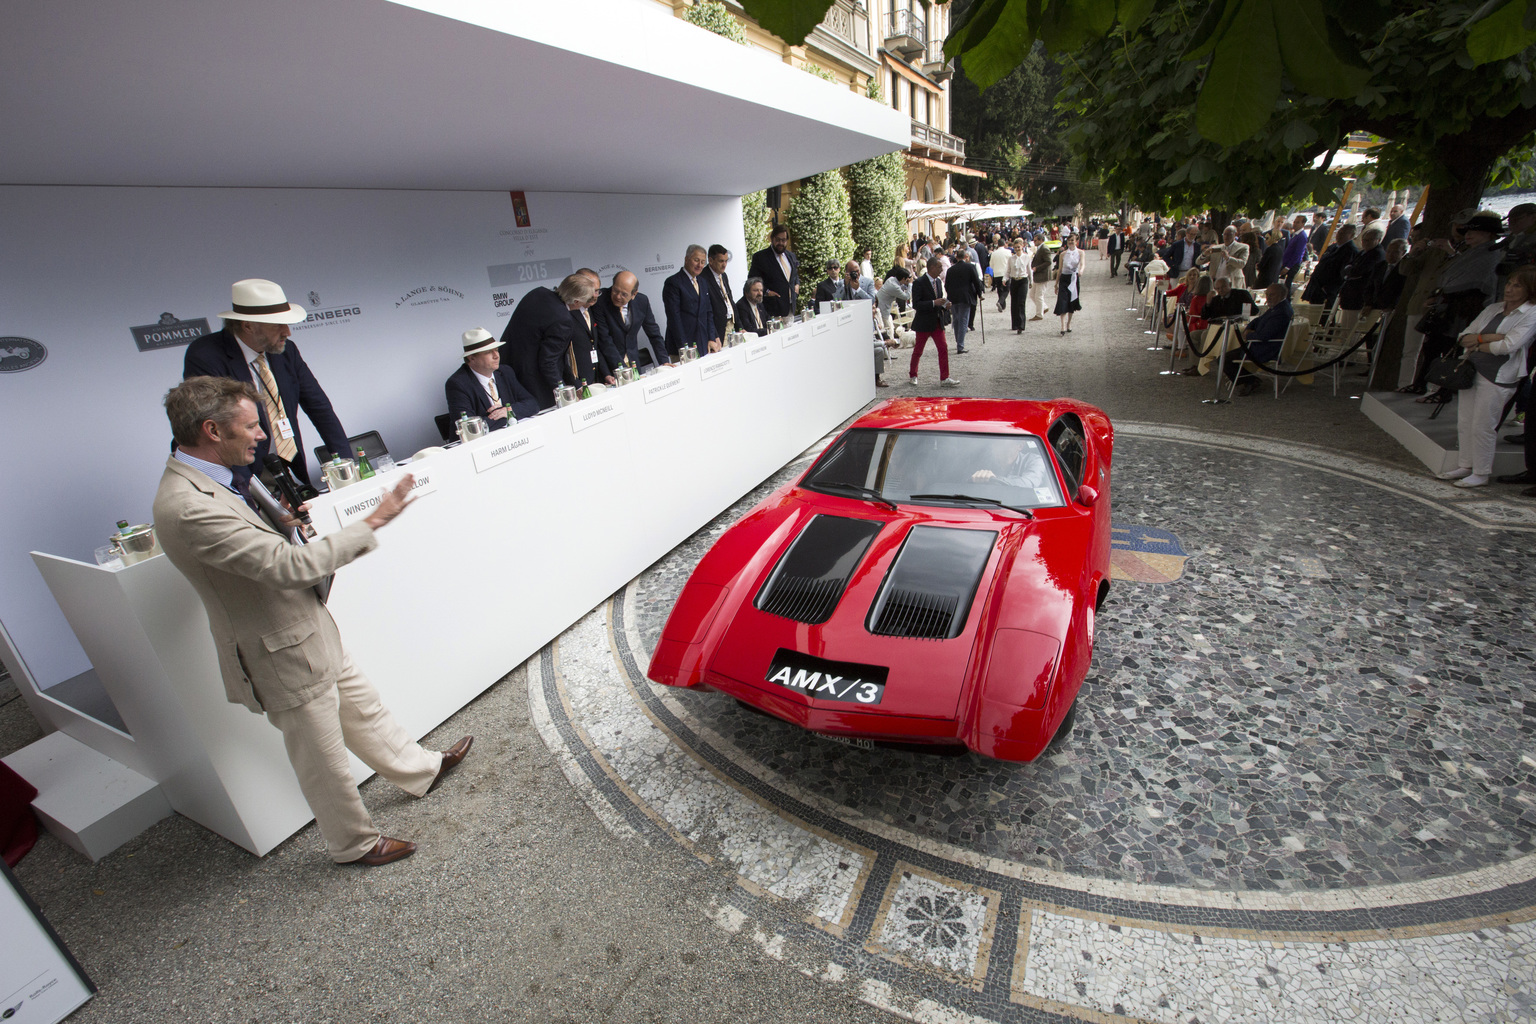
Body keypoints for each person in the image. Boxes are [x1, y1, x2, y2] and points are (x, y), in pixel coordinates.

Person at [153, 376, 472, 867]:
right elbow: (287, 568)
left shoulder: (223, 478)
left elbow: (269, 549)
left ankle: (421, 770)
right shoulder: (187, 505)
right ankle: (354, 844)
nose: (263, 435)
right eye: (251, 426)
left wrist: (283, 523)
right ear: (212, 431)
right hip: (279, 652)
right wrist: (374, 520)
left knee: (364, 711)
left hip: (305, 630)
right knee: (322, 760)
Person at [183, 279, 351, 489]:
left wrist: (346, 464)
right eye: (277, 325)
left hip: (283, 465)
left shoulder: (286, 351)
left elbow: (319, 407)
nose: (287, 332)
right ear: (248, 326)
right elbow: (219, 429)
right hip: (237, 471)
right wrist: (247, 493)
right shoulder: (206, 356)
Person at [1438, 267, 1536, 487]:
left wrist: (1478, 342)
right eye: (1509, 283)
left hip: (1499, 375)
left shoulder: (1531, 313)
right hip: (1472, 369)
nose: (1509, 289)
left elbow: (1508, 346)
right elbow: (1464, 336)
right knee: (1465, 421)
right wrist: (1488, 338)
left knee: (1484, 425)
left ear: (1529, 289)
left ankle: (1481, 472)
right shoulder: (1493, 308)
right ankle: (1466, 464)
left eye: (1517, 285)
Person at [499, 273, 596, 409]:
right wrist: (563, 390)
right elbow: (549, 361)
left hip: (506, 369)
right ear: (577, 302)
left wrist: (574, 383)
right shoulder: (563, 319)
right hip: (533, 381)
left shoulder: (537, 292)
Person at [444, 328, 538, 428]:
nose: (496, 356)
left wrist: (508, 410)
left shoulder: (505, 372)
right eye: (488, 352)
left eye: (496, 350)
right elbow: (469, 426)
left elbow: (533, 404)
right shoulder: (458, 383)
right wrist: (508, 415)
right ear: (471, 358)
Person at [1224, 283, 1295, 394]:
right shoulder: (1276, 307)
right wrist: (1248, 328)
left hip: (1266, 349)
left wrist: (1248, 335)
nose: (1268, 298)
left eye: (1272, 295)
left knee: (1224, 359)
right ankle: (1249, 379)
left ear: (1282, 295)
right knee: (1226, 356)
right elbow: (1258, 320)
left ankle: (1251, 381)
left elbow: (1264, 336)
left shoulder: (1281, 312)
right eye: (1267, 294)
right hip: (1259, 345)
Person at [592, 271, 667, 369]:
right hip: (610, 366)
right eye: (615, 290)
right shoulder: (600, 301)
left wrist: (664, 362)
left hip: (634, 363)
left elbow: (654, 334)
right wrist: (623, 370)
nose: (618, 296)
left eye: (624, 294)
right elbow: (605, 340)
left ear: (634, 294)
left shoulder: (642, 301)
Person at [663, 244, 720, 360]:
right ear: (686, 259)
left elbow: (708, 312)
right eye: (696, 260)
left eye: (703, 262)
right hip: (683, 347)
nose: (699, 265)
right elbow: (674, 318)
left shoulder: (703, 282)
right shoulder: (673, 282)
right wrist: (685, 348)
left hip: (703, 343)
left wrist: (711, 338)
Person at [909, 257, 958, 387]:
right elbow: (916, 304)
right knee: (918, 350)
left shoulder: (937, 282)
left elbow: (938, 300)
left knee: (943, 348)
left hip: (937, 321)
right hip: (924, 322)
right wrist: (933, 303)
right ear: (932, 268)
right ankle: (913, 374)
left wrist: (944, 305)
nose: (941, 270)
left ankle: (944, 377)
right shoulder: (919, 282)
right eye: (939, 267)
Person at [568, 269, 616, 387]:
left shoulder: (591, 310)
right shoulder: (568, 313)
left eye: (597, 291)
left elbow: (594, 347)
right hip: (578, 384)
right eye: (592, 291)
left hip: (596, 380)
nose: (595, 295)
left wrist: (606, 374)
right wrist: (577, 384)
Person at [1301, 222, 1358, 306]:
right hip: (1317, 288)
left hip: (1327, 292)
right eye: (1339, 232)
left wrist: (1327, 289)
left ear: (1351, 235)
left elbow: (1343, 274)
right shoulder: (1334, 247)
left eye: (1343, 233)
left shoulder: (1350, 251)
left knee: (1322, 316)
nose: (1339, 235)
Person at [749, 225, 800, 318]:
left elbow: (794, 274)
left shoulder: (791, 256)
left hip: (790, 307)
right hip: (772, 309)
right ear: (772, 239)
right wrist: (767, 292)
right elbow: (752, 280)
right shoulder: (760, 257)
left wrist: (797, 284)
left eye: (783, 240)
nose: (780, 243)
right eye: (778, 240)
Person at [944, 249, 984, 354]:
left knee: (956, 320)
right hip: (965, 297)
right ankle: (960, 345)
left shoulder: (950, 270)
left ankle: (958, 341)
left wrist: (950, 295)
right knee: (963, 320)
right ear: (965, 257)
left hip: (953, 297)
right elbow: (976, 282)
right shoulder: (970, 267)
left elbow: (946, 285)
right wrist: (979, 294)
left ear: (956, 257)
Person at [704, 245, 735, 340]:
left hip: (732, 323)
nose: (724, 264)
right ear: (711, 260)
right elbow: (707, 311)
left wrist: (740, 326)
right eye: (721, 261)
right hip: (719, 329)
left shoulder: (724, 275)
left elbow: (730, 300)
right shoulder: (703, 278)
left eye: (726, 261)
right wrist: (714, 335)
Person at [1054, 235, 1083, 335]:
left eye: (1072, 240)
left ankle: (1069, 323)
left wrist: (1081, 271)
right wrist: (1056, 284)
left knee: (1071, 302)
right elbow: (1059, 269)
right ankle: (1062, 326)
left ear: (1076, 241)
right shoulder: (1063, 254)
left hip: (1074, 278)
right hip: (1064, 279)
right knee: (1062, 301)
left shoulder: (1080, 252)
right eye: (1069, 240)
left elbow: (1082, 264)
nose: (1070, 242)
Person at [876, 267, 912, 341]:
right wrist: (910, 284)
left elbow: (900, 287)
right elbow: (906, 297)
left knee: (889, 327)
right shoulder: (894, 287)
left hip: (881, 306)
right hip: (883, 309)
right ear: (903, 278)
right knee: (888, 329)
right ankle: (888, 344)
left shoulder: (891, 279)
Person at [1030, 240, 1053, 321]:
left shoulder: (1044, 248)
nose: (1034, 241)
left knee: (1039, 295)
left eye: (1036, 240)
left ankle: (1039, 314)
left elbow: (1048, 261)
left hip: (1042, 275)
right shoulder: (1040, 248)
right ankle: (1044, 307)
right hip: (1038, 275)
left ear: (1040, 240)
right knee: (1032, 294)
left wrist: (1037, 268)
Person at [988, 241, 1011, 311]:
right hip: (1005, 272)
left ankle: (1002, 305)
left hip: (997, 273)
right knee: (1006, 290)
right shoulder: (1008, 252)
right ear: (1004, 244)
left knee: (999, 289)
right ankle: (1000, 302)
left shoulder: (994, 253)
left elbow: (991, 265)